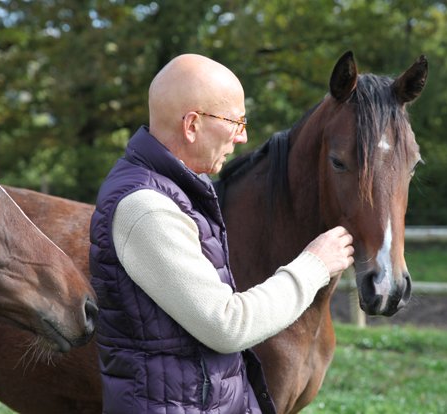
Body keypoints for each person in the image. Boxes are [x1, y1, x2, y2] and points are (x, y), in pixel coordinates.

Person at [89, 54, 354, 414]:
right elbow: (226, 325)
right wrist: (314, 265)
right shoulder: (147, 208)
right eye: (235, 121)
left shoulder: (180, 192)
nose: (243, 136)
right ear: (193, 125)